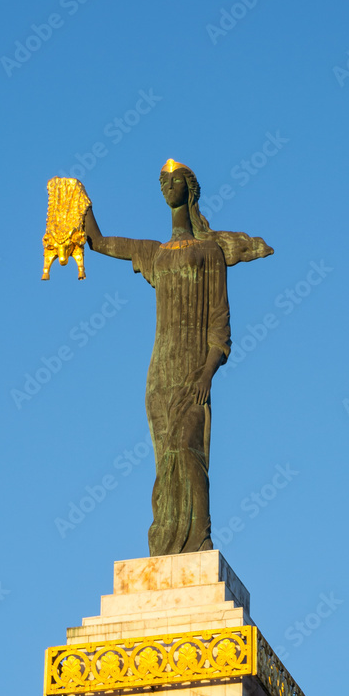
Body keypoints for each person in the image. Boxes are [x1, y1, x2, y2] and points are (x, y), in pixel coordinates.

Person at [84, 159, 273, 555]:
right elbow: (100, 243)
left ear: (190, 187)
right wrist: (78, 201)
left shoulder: (209, 253)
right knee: (164, 457)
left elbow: (220, 323)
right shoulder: (155, 254)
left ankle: (198, 537)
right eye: (161, 182)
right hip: (160, 371)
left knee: (188, 451)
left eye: (174, 180)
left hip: (193, 367)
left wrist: (207, 373)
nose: (166, 186)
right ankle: (165, 540)